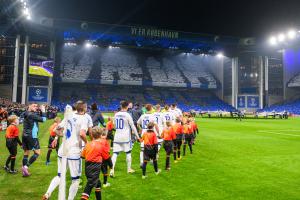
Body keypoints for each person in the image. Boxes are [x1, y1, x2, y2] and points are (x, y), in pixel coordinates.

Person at [43, 102, 91, 200]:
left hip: (63, 150)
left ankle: (48, 193)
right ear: (84, 108)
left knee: (60, 175)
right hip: (74, 151)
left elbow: (56, 129)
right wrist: (87, 143)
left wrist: (63, 136)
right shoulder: (84, 118)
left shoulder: (69, 115)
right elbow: (82, 133)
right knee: (76, 180)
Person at [110, 101, 141, 177]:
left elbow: (114, 125)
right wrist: (138, 137)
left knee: (115, 153)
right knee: (128, 152)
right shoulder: (127, 115)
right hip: (126, 137)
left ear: (121, 106)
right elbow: (133, 126)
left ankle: (112, 169)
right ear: (127, 106)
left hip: (117, 136)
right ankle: (129, 169)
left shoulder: (116, 114)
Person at [81, 127, 107, 200]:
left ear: (91, 134)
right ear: (101, 135)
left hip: (87, 168)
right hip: (95, 168)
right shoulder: (101, 145)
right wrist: (110, 165)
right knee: (89, 185)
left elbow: (82, 156)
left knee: (97, 183)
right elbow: (106, 157)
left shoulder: (88, 144)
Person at [21, 103, 47, 177]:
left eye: (36, 106)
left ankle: (24, 172)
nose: (36, 107)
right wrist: (43, 110)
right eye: (34, 106)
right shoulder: (31, 115)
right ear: (29, 106)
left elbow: (33, 116)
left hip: (24, 135)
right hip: (32, 136)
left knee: (26, 152)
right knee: (37, 153)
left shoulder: (26, 113)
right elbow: (44, 120)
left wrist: (37, 111)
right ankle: (25, 167)